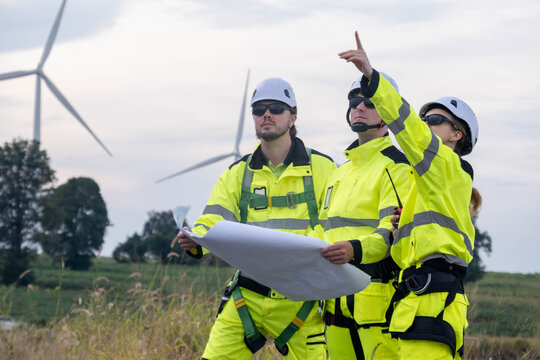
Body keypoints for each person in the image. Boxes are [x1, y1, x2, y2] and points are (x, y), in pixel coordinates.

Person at [339, 31, 482, 359]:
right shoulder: (431, 181)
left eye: (433, 121)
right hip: (414, 296)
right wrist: (403, 227)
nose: (423, 124)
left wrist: (372, 79)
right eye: (423, 120)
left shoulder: (446, 164)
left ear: (456, 135)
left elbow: (406, 127)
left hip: (433, 296)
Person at [175, 77, 336, 360]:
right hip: (246, 297)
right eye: (259, 109)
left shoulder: (323, 168)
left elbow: (336, 222)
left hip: (302, 297)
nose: (267, 114)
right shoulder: (238, 173)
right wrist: (195, 239)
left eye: (276, 108)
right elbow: (214, 217)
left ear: (293, 116)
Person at [317, 74, 412, 359]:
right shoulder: (340, 171)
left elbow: (392, 229)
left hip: (374, 306)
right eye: (354, 101)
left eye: (369, 102)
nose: (359, 107)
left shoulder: (397, 166)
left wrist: (354, 249)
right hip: (333, 304)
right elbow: (322, 230)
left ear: (387, 110)